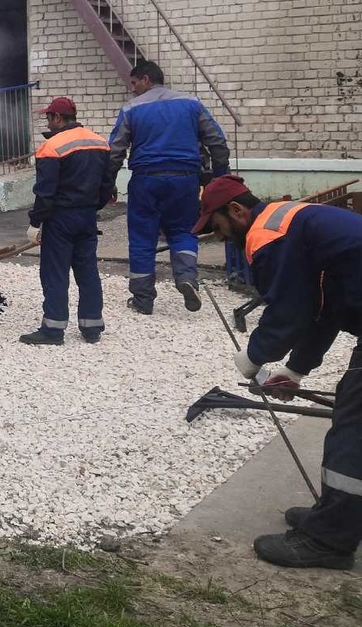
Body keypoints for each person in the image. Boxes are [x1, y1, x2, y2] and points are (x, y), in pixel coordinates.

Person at [197, 175, 362, 569]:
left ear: (236, 211)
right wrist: (295, 369)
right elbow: (324, 309)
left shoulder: (269, 236)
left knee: (353, 428)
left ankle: (328, 541)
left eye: (217, 227)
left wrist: (252, 357)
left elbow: (289, 311)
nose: (219, 238)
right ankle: (336, 518)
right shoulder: (297, 222)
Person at [107, 60, 230, 315]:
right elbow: (217, 141)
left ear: (147, 79)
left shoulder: (131, 109)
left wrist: (107, 183)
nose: (132, 89)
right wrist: (220, 178)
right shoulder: (192, 104)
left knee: (142, 237)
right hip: (185, 180)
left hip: (146, 180)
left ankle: (143, 299)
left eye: (134, 82)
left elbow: (115, 152)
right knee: (184, 230)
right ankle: (186, 277)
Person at [20, 97, 116, 345]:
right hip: (87, 217)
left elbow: (45, 192)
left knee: (55, 273)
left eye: (49, 118)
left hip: (61, 218)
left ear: (58, 117)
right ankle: (92, 326)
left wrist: (35, 223)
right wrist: (93, 207)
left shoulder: (51, 147)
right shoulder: (99, 142)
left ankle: (53, 329)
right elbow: (107, 186)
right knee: (87, 271)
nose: (48, 123)